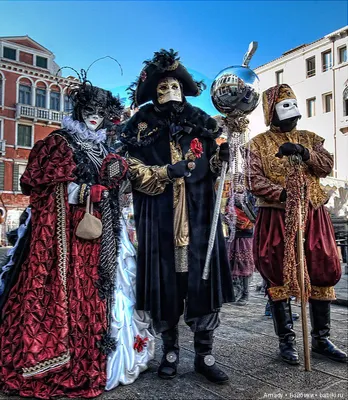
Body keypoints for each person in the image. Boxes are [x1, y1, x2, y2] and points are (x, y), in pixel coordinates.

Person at [0, 79, 154, 399]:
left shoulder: (103, 147)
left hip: (102, 236)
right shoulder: (59, 143)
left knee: (101, 292)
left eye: (101, 113)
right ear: (79, 110)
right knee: (68, 293)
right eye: (90, 111)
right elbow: (42, 187)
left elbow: (118, 186)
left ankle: (106, 353)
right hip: (66, 238)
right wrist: (84, 191)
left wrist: (117, 177)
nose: (95, 117)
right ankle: (59, 359)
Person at [121, 49, 234, 384]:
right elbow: (129, 171)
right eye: (162, 85)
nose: (170, 89)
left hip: (199, 218)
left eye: (175, 84)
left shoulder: (201, 122)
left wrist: (222, 157)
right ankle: (169, 351)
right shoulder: (140, 126)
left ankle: (204, 354)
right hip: (159, 220)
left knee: (200, 284)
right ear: (153, 89)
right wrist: (165, 172)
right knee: (166, 285)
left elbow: (214, 169)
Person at [245, 83, 347, 365]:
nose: (291, 112)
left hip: (313, 213)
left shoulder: (311, 137)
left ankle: (321, 339)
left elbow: (325, 165)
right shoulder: (257, 144)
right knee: (277, 269)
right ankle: (287, 342)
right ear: (270, 112)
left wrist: (304, 152)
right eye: (283, 105)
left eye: (293, 104)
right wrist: (284, 194)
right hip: (277, 216)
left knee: (323, 266)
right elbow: (253, 180)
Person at [225, 178, 256, 306]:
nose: (239, 185)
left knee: (244, 264)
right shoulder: (231, 197)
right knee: (233, 264)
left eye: (241, 182)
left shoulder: (250, 197)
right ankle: (235, 291)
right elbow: (227, 211)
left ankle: (245, 293)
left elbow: (253, 216)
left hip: (246, 236)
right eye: (237, 182)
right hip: (233, 235)